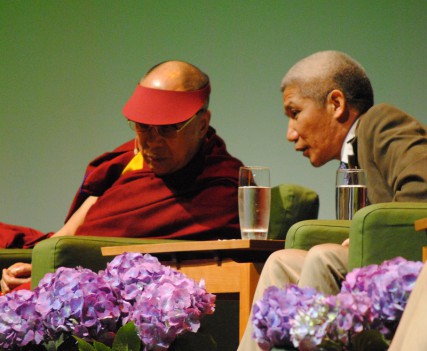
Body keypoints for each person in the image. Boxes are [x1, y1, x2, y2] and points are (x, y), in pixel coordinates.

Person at [238, 50, 427, 350]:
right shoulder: (349, 159)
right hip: (370, 264)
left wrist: (372, 238)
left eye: (295, 113)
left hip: (402, 268)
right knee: (280, 263)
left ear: (336, 104)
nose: (290, 133)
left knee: (323, 256)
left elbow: (423, 184)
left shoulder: (379, 121)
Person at [1, 60, 244, 293]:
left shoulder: (222, 188)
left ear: (202, 124)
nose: (153, 143)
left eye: (168, 128)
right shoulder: (132, 160)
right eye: (143, 126)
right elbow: (70, 237)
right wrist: (38, 265)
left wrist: (52, 274)